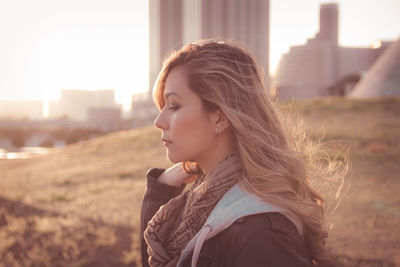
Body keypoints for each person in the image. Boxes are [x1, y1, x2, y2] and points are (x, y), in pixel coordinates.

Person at [141, 39, 342, 267]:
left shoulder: (261, 232)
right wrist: (161, 191)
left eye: (174, 106)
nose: (159, 121)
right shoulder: (197, 201)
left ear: (220, 117)